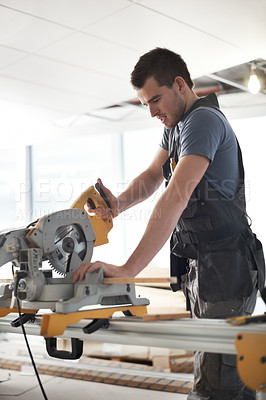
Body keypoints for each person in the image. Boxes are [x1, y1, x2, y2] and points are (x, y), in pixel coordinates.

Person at [73, 48, 265, 399]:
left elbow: (175, 196)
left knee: (215, 386)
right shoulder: (177, 127)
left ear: (179, 85)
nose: (152, 112)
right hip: (205, 268)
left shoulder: (203, 121)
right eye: (145, 104)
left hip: (226, 268)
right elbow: (151, 177)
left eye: (155, 100)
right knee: (224, 377)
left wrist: (129, 268)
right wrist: (119, 205)